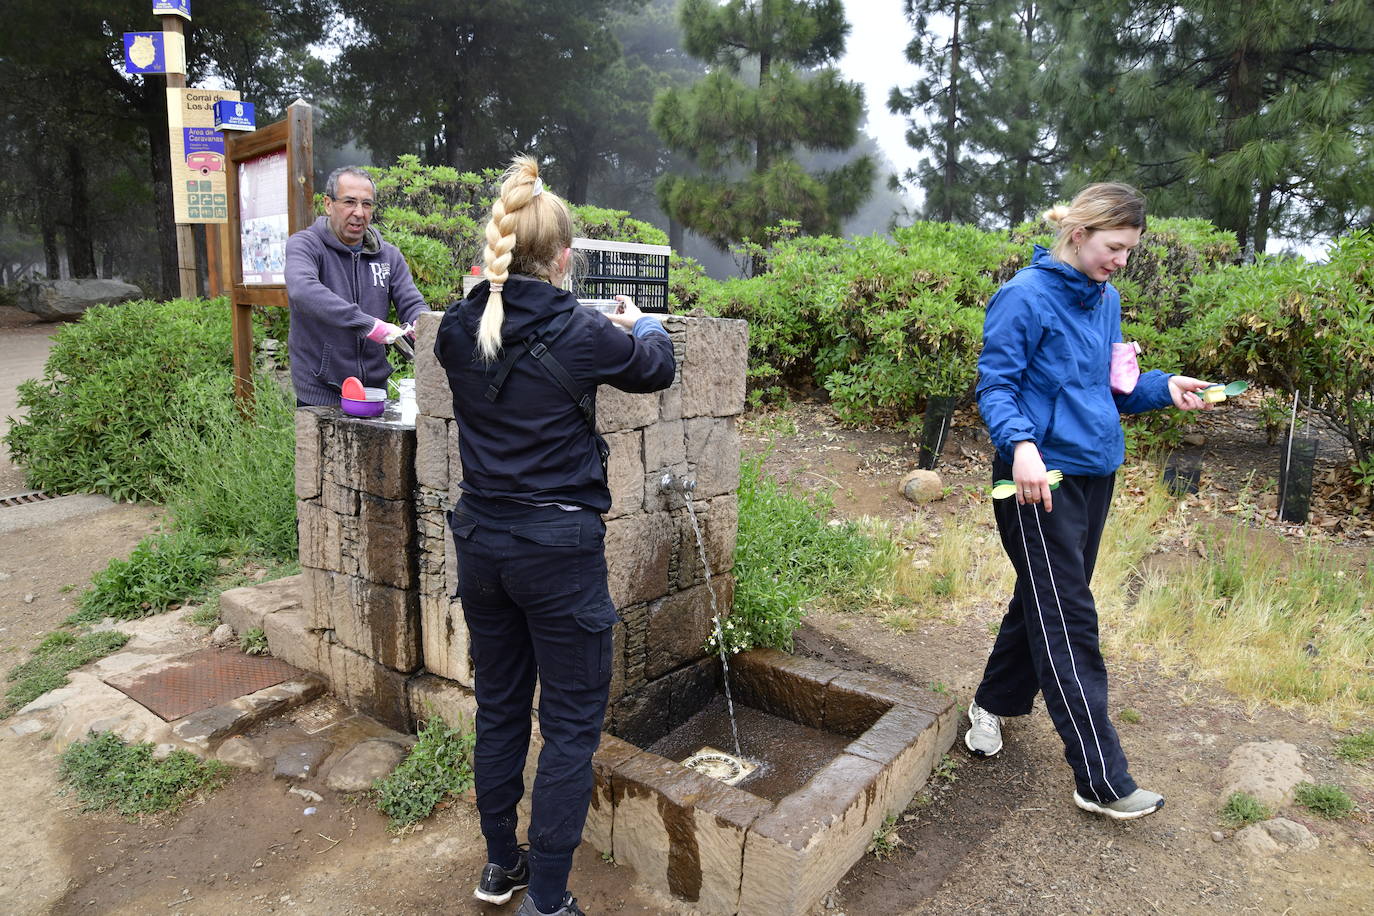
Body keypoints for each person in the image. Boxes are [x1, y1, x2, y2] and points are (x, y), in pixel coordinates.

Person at [434, 156, 675, 916]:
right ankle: (548, 897)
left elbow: (494, 330)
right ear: (565, 259)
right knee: (570, 726)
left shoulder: (454, 327)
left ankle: (500, 865)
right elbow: (654, 369)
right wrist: (645, 324)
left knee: (501, 709)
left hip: (482, 544)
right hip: (559, 553)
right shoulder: (580, 331)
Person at [965, 182, 1212, 820]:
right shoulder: (1023, 297)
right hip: (1036, 482)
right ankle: (1099, 778)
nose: (1121, 261)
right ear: (1079, 235)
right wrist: (1020, 447)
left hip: (1093, 475)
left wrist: (1165, 387)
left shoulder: (1106, 299)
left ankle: (991, 702)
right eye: (1114, 247)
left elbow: (1115, 387)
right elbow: (996, 385)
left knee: (1045, 598)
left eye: (1128, 250)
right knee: (1069, 619)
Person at [285, 166, 428, 407]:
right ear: (328, 204)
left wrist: (421, 326)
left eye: (367, 204)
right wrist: (369, 325)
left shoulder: (389, 256)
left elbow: (412, 302)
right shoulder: (306, 245)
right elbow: (303, 290)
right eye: (349, 202)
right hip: (321, 392)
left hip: (373, 392)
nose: (359, 212)